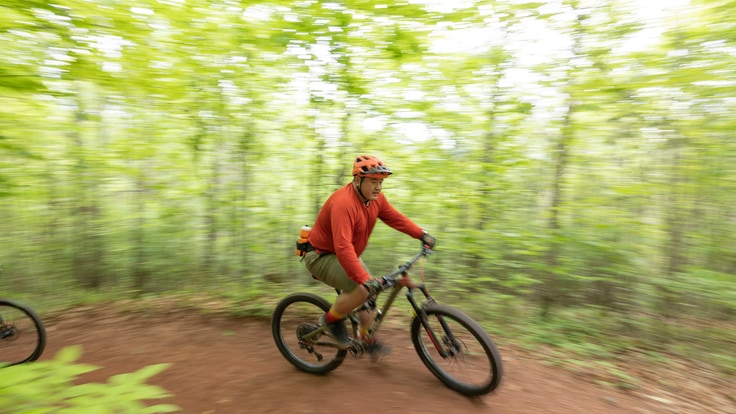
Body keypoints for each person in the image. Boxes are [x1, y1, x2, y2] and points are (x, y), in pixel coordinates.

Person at [302, 154, 436, 355]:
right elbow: (343, 247)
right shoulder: (343, 203)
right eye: (374, 181)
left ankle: (365, 339)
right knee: (363, 288)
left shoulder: (376, 199)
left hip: (346, 255)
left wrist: (421, 234)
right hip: (320, 255)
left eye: (381, 182)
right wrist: (365, 280)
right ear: (358, 180)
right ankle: (330, 321)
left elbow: (395, 218)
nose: (378, 187)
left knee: (369, 295)